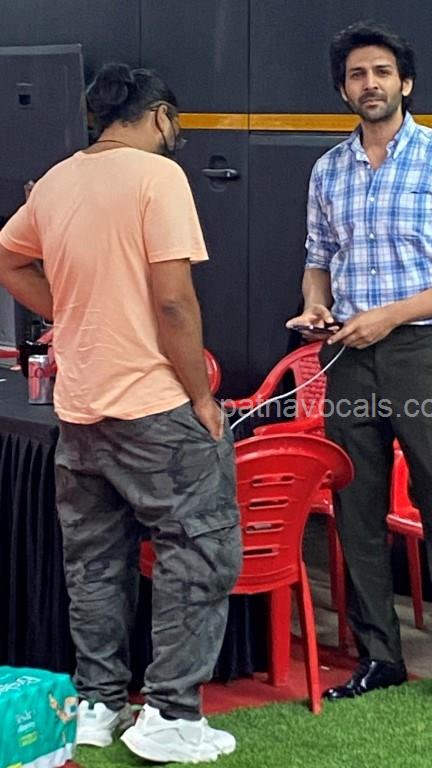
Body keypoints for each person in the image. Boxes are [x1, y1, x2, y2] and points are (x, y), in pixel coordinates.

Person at [0, 63, 241, 762]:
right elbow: (173, 301)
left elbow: (7, 260)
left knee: (95, 563)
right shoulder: (158, 177)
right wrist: (201, 397)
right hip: (153, 407)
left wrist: (72, 312)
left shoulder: (56, 181)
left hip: (79, 412)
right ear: (160, 115)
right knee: (200, 551)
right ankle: (170, 715)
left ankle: (99, 706)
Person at [286, 21, 432, 728]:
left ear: (404, 83)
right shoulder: (328, 170)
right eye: (357, 74)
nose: (370, 84)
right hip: (348, 355)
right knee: (356, 511)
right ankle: (378, 657)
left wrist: (389, 316)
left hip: (423, 356)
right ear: (343, 89)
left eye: (381, 72)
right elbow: (318, 257)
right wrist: (316, 304)